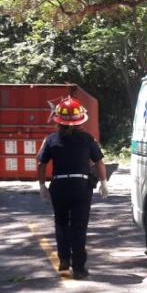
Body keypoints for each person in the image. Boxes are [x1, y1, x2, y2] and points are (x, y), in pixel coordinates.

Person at [37, 96, 108, 279]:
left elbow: (41, 163)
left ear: (58, 120)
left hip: (59, 186)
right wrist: (104, 182)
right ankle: (79, 268)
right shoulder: (87, 139)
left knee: (61, 223)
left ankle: (64, 260)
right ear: (80, 120)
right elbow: (99, 162)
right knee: (79, 227)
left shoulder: (51, 139)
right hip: (81, 186)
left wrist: (42, 185)